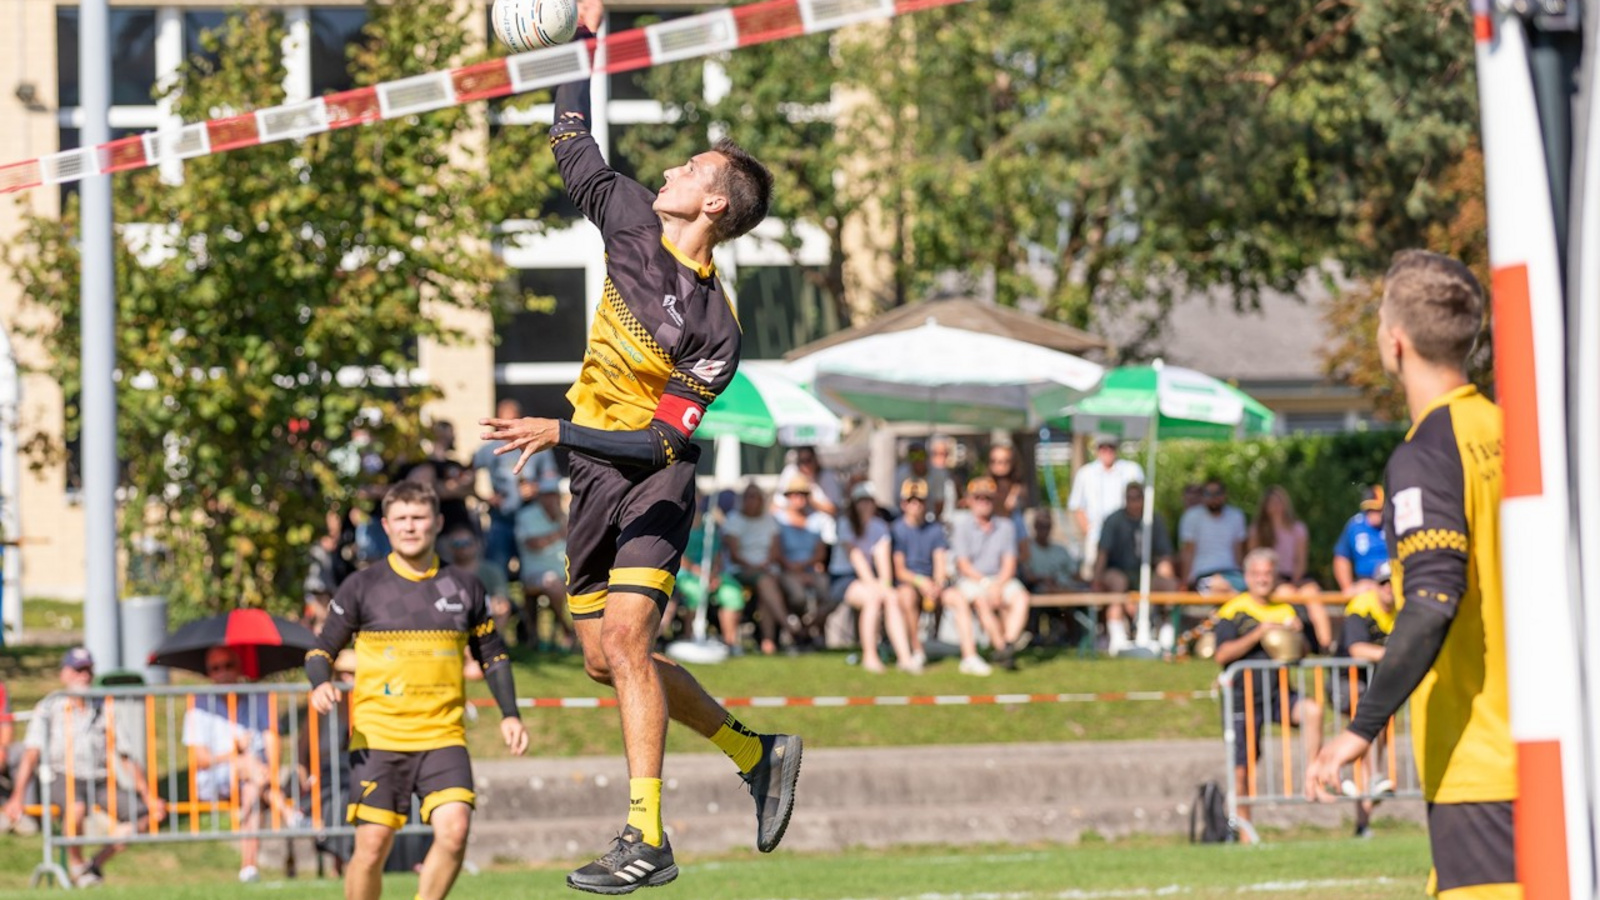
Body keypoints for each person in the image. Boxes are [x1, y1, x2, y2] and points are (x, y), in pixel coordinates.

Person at [477, 3, 800, 888]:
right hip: (589, 472)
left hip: (652, 479)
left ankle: (646, 839)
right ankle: (754, 751)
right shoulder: (624, 217)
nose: (669, 166)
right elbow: (574, 135)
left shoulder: (715, 330)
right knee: (603, 659)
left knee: (625, 638)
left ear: (715, 203)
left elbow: (660, 444)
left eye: (690, 165)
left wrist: (555, 429)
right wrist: (580, 39)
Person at [1306, 251, 1515, 898]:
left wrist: (1357, 731)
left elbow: (1431, 600)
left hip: (1481, 762)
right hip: (1550, 752)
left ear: (1394, 342)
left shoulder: (1427, 453)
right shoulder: (1515, 433)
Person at [304, 481, 530, 900]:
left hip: (442, 736)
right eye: (402, 519)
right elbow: (320, 651)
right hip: (380, 737)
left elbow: (494, 656)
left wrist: (510, 714)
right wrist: (320, 685)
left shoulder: (464, 587)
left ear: (437, 523)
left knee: (455, 830)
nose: (411, 527)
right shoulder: (362, 586)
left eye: (419, 518)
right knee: (371, 849)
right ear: (387, 526)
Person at [3, 648, 166, 888]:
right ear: (64, 674)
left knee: (143, 816)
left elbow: (125, 755)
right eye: (79, 670)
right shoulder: (50, 706)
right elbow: (31, 753)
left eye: (88, 670)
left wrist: (149, 796)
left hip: (99, 779)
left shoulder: (104, 707)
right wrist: (17, 797)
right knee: (76, 807)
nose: (85, 676)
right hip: (61, 775)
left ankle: (89, 867)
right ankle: (77, 866)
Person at [1212, 549, 1325, 840]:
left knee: (1312, 710)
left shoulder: (1286, 609)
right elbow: (1221, 654)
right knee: (1244, 766)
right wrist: (1258, 633)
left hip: (1277, 693)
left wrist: (1298, 635)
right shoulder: (1233, 611)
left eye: (1268, 574)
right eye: (1257, 574)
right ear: (1247, 577)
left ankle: (1314, 776)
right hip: (1244, 697)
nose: (1263, 579)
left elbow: (1308, 649)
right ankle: (1245, 831)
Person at [185, 645, 300, 882]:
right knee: (248, 765)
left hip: (255, 778)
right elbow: (200, 759)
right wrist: (232, 754)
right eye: (216, 668)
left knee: (251, 790)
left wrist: (268, 767)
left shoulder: (257, 698)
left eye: (229, 665)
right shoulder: (198, 705)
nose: (223, 672)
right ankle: (289, 813)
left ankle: (248, 867)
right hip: (215, 777)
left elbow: (272, 740)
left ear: (239, 668)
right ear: (209, 673)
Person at [1336, 560, 1398, 838]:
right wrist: (1399, 658)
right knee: (1371, 725)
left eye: (1394, 581)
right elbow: (1357, 648)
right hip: (1345, 684)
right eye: (1384, 582)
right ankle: (1365, 779)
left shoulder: (1402, 612)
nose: (1390, 588)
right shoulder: (1361, 607)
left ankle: (1363, 822)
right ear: (1376, 586)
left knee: (1374, 733)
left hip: (1375, 688)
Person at [945, 477, 1030, 673]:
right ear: (970, 500)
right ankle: (1002, 649)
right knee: (981, 601)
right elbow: (963, 565)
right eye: (978, 498)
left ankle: (1006, 645)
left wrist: (998, 585)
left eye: (987, 498)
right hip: (972, 580)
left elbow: (1010, 563)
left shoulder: (1006, 526)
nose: (983, 502)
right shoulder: (962, 526)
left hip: (1001, 578)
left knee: (1021, 598)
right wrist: (986, 583)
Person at [830, 484, 916, 673]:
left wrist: (885, 585)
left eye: (868, 501)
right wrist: (877, 587)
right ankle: (870, 656)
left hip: (869, 579)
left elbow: (883, 563)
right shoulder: (845, 524)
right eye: (861, 501)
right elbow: (856, 559)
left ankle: (905, 658)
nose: (865, 505)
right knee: (873, 599)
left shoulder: (879, 527)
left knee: (892, 597)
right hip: (844, 578)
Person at [473, 398, 560, 579]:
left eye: (511, 422)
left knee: (535, 571)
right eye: (503, 422)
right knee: (497, 569)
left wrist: (536, 488)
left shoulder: (538, 447)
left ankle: (529, 606)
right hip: (501, 519)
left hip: (531, 517)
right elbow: (464, 476)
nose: (507, 428)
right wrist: (484, 498)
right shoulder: (489, 450)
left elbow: (552, 482)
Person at [1091, 483, 1178, 652]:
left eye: (1138, 497)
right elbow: (1102, 553)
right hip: (1117, 571)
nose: (1135, 502)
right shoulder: (1114, 520)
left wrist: (1171, 578)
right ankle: (1117, 637)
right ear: (1125, 499)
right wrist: (1096, 579)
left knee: (1168, 583)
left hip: (1145, 573)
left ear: (1144, 499)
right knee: (1119, 583)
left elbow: (1166, 556)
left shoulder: (1154, 519)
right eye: (1131, 498)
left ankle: (1167, 632)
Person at [724, 482, 790, 655]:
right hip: (740, 570)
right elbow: (733, 554)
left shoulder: (769, 520)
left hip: (766, 569)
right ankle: (788, 628)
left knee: (765, 593)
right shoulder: (734, 519)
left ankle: (768, 642)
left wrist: (764, 564)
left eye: (755, 496)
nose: (752, 500)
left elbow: (775, 550)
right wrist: (754, 566)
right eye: (748, 496)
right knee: (765, 583)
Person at [1066, 435, 1144, 580]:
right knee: (1095, 577)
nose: (1107, 451)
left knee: (1126, 576)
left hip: (1126, 537)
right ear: (1097, 449)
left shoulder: (1131, 469)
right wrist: (1089, 531)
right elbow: (1077, 507)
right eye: (1103, 447)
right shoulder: (1085, 473)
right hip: (1096, 535)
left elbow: (1141, 500)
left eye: (1111, 447)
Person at [891, 479, 946, 671]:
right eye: (911, 501)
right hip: (909, 582)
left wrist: (936, 584)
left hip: (930, 583)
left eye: (920, 501)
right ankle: (916, 648)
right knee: (907, 596)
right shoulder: (897, 530)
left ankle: (970, 654)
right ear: (903, 504)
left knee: (956, 598)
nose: (915, 505)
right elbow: (899, 571)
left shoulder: (935, 530)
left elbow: (940, 563)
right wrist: (921, 582)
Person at [675, 499, 744, 650]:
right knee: (697, 593)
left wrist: (713, 574)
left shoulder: (709, 525)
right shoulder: (678, 522)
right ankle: (690, 636)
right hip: (685, 572)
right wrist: (700, 573)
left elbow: (718, 553)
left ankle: (730, 642)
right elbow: (678, 555)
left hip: (712, 574)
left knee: (732, 593)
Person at [515, 476, 571, 651]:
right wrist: (558, 532)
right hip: (535, 574)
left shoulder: (566, 515)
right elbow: (533, 544)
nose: (552, 499)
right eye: (547, 495)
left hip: (567, 573)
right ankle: (567, 630)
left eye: (555, 495)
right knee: (552, 583)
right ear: (540, 497)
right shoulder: (526, 516)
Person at [774, 477, 831, 649]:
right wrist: (793, 569)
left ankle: (809, 629)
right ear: (788, 497)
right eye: (795, 494)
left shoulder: (817, 520)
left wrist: (805, 566)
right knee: (798, 596)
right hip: (787, 569)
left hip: (810, 568)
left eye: (802, 494)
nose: (799, 498)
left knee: (828, 593)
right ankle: (799, 630)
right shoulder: (779, 520)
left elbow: (821, 552)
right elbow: (776, 551)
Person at [1248, 486, 1322, 602]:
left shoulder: (1298, 529)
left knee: (1312, 592)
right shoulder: (1257, 531)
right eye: (1271, 502)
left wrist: (1294, 582)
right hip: (1269, 578)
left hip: (1294, 577)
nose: (1276, 506)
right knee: (1285, 592)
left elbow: (1301, 561)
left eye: (1278, 502)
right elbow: (1253, 560)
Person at [1178, 480, 1248, 594]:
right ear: (1202, 496)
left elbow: (1238, 551)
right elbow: (1188, 551)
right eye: (1208, 493)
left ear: (1225, 495)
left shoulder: (1236, 516)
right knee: (1219, 586)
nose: (1213, 497)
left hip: (1232, 574)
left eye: (1218, 493)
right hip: (1202, 574)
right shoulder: (1191, 517)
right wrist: (1185, 582)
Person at [1332, 485, 1389, 597]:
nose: (1374, 513)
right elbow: (1341, 557)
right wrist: (1348, 588)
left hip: (1392, 583)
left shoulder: (1395, 524)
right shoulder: (1355, 526)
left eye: (1378, 509)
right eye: (1370, 509)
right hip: (1364, 585)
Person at [775, 446, 843, 522]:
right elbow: (776, 506)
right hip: (794, 525)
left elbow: (834, 510)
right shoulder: (791, 472)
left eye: (808, 460)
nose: (805, 465)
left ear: (816, 460)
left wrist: (810, 500)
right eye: (802, 461)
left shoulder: (828, 476)